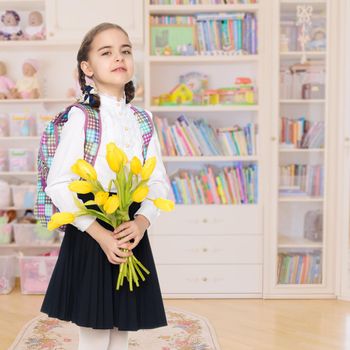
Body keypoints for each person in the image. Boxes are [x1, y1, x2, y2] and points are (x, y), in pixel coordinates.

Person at [40, 22, 170, 350]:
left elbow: (158, 182)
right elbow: (58, 183)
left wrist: (141, 222)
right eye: (106, 52)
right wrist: (99, 233)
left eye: (125, 51)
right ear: (87, 67)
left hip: (128, 226)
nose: (118, 57)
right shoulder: (82, 117)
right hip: (92, 230)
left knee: (122, 327)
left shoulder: (144, 119)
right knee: (95, 333)